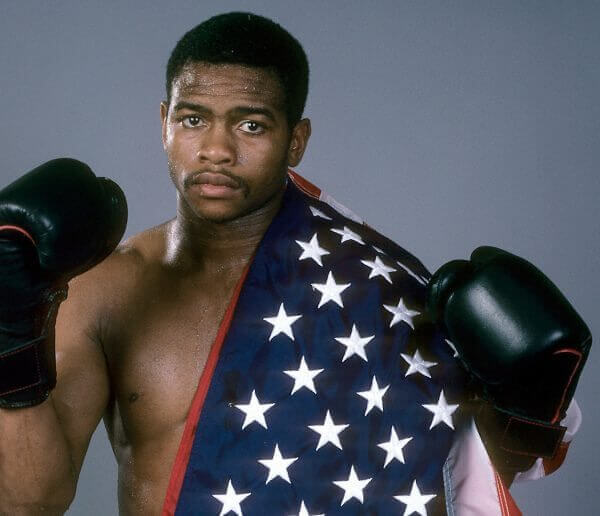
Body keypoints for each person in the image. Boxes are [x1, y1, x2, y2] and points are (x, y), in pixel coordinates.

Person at [0, 12, 590, 516]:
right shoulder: (103, 289)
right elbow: (27, 501)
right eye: (193, 118)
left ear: (296, 140)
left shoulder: (376, 299)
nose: (216, 148)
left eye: (251, 124)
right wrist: (10, 324)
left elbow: (457, 470)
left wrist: (528, 414)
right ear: (164, 124)